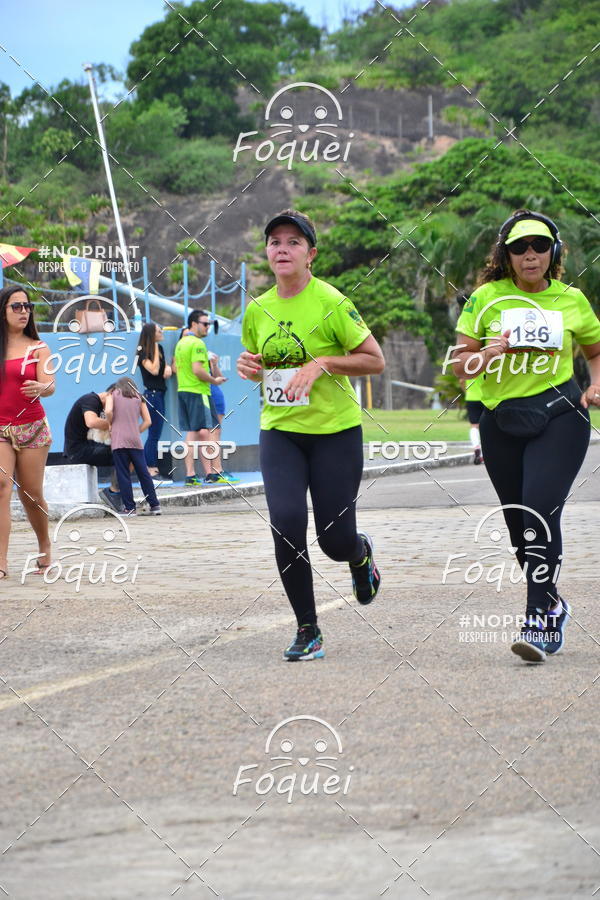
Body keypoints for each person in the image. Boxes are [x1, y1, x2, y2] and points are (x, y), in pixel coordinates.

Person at [450, 209, 600, 663]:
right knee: (519, 525)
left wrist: (595, 383)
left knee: (538, 509)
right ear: (506, 254)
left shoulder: (572, 299)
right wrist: (489, 351)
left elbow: (595, 349)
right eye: (519, 247)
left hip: (560, 415)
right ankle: (554, 600)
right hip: (502, 421)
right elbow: (460, 365)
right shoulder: (485, 298)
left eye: (538, 246)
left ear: (552, 250)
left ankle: (539, 618)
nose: (529, 255)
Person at [237, 209, 385, 661]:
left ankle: (360, 555)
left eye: (293, 242)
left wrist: (322, 363)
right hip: (280, 432)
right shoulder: (257, 308)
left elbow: (373, 360)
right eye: (274, 241)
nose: (282, 248)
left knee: (334, 540)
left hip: (334, 433)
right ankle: (308, 629)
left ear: (311, 254)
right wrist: (248, 368)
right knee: (285, 525)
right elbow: (254, 361)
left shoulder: (332, 302)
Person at [0, 286, 55, 579]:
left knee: (31, 494)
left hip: (32, 427)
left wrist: (41, 388)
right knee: (0, 486)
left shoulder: (38, 347)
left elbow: (50, 384)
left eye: (27, 306)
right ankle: (1, 562)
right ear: (3, 311)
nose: (23, 311)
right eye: (16, 306)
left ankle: (45, 546)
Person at [173, 309, 237, 486]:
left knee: (192, 433)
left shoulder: (181, 343)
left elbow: (179, 368)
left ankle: (191, 475)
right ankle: (213, 473)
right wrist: (214, 380)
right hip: (198, 391)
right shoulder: (197, 343)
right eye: (205, 323)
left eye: (208, 324)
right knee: (210, 431)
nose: (208, 327)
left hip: (184, 391)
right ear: (194, 324)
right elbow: (198, 370)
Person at [104, 378, 161, 517]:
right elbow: (148, 421)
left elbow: (109, 411)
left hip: (119, 441)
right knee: (144, 474)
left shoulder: (113, 394)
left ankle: (129, 508)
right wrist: (136, 431)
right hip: (135, 441)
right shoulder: (138, 397)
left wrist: (111, 424)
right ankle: (154, 505)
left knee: (123, 474)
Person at [63, 387, 122, 510]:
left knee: (126, 452)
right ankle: (113, 493)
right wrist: (116, 424)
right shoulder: (91, 400)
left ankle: (116, 492)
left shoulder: (96, 404)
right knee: (125, 455)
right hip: (77, 451)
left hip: (86, 447)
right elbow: (91, 422)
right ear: (110, 395)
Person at [136, 322, 173, 484]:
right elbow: (154, 370)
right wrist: (156, 348)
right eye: (159, 330)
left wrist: (170, 366)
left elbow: (165, 372)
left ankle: (150, 468)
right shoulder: (142, 352)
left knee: (155, 433)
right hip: (151, 396)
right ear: (152, 335)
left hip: (159, 394)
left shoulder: (160, 350)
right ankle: (150, 469)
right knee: (153, 434)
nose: (162, 332)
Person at [456, 294, 484, 465]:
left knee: (474, 425)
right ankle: (487, 452)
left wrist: (467, 391)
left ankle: (476, 449)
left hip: (472, 396)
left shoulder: (468, 363)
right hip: (488, 395)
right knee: (489, 426)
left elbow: (460, 380)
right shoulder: (486, 361)